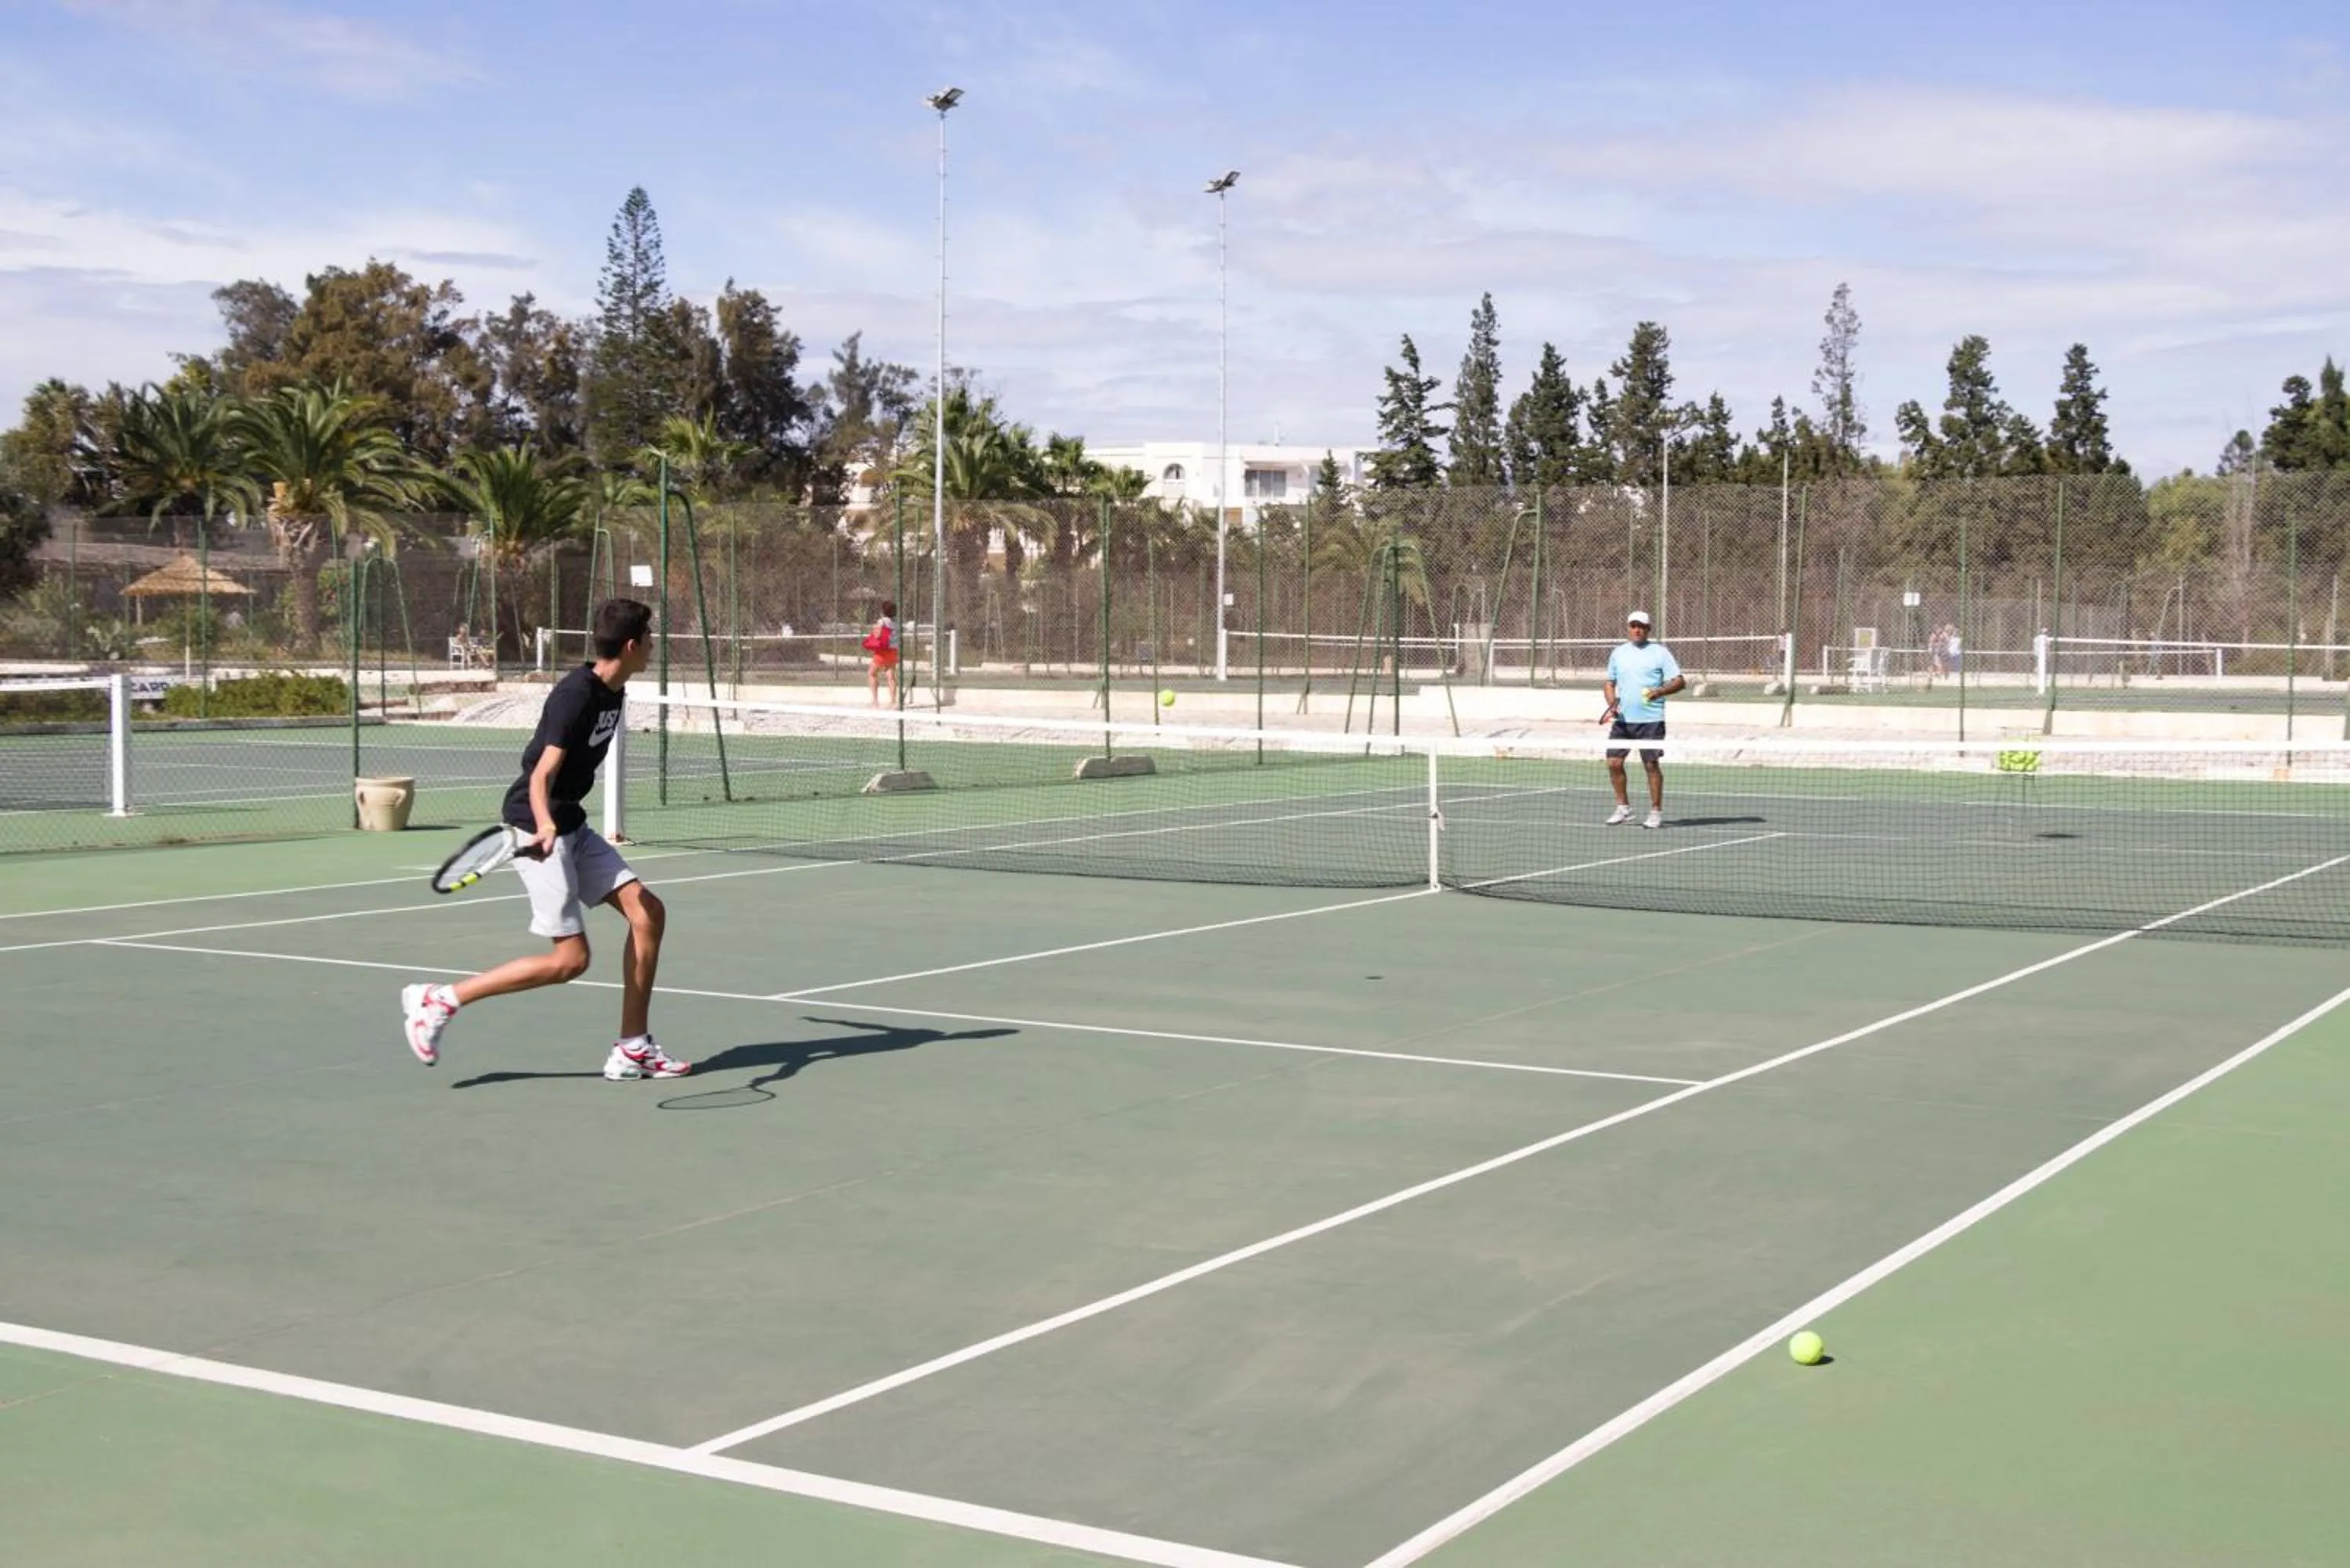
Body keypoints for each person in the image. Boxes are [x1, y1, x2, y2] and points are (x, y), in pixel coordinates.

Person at [399, 598, 690, 1081]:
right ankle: (440, 1000)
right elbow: (540, 774)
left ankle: (633, 1047)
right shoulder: (575, 695)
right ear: (634, 645)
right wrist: (544, 824)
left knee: (648, 912)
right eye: (651, 639)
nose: (654, 648)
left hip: (570, 822)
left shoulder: (613, 691)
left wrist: (561, 822)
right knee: (571, 960)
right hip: (537, 826)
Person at [1602, 610, 1684, 829]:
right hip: (1623, 721)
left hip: (1651, 720)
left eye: (1641, 626)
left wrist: (1659, 692)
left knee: (1651, 764)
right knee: (1613, 763)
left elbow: (1679, 682)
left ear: (1648, 629)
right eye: (1633, 626)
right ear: (1628, 628)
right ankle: (1624, 808)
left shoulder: (1661, 653)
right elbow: (1609, 683)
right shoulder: (1618, 653)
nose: (1637, 630)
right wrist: (1613, 705)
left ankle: (1656, 811)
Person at [866, 598, 900, 707]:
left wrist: (874, 631)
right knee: (891, 675)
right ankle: (893, 701)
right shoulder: (896, 623)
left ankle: (875, 701)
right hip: (893, 650)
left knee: (872, 673)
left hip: (882, 651)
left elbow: (877, 635)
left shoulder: (882, 621)